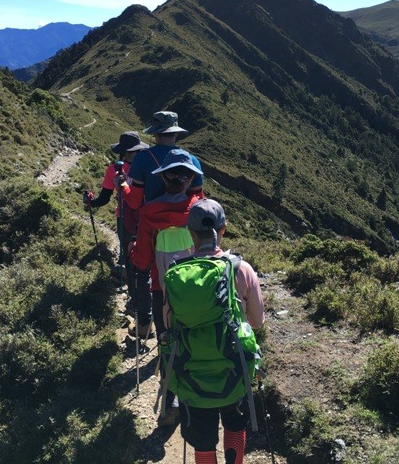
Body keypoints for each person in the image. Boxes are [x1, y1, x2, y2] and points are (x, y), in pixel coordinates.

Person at [165, 199, 265, 464]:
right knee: (235, 425)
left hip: (191, 375)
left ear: (190, 232)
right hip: (234, 372)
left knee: (203, 440)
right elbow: (257, 322)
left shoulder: (177, 275)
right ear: (223, 229)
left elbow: (167, 324)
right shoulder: (241, 269)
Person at [128, 148, 202, 426]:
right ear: (189, 179)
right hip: (198, 290)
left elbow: (143, 260)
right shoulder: (199, 208)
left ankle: (171, 398)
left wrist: (134, 250)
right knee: (193, 341)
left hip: (163, 291)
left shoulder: (149, 213)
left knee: (168, 342)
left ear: (163, 179)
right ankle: (195, 396)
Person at [83, 131, 149, 307]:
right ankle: (146, 297)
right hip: (147, 218)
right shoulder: (147, 166)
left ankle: (134, 299)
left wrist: (91, 202)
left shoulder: (114, 169)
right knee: (147, 256)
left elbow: (104, 199)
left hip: (125, 218)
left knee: (128, 256)